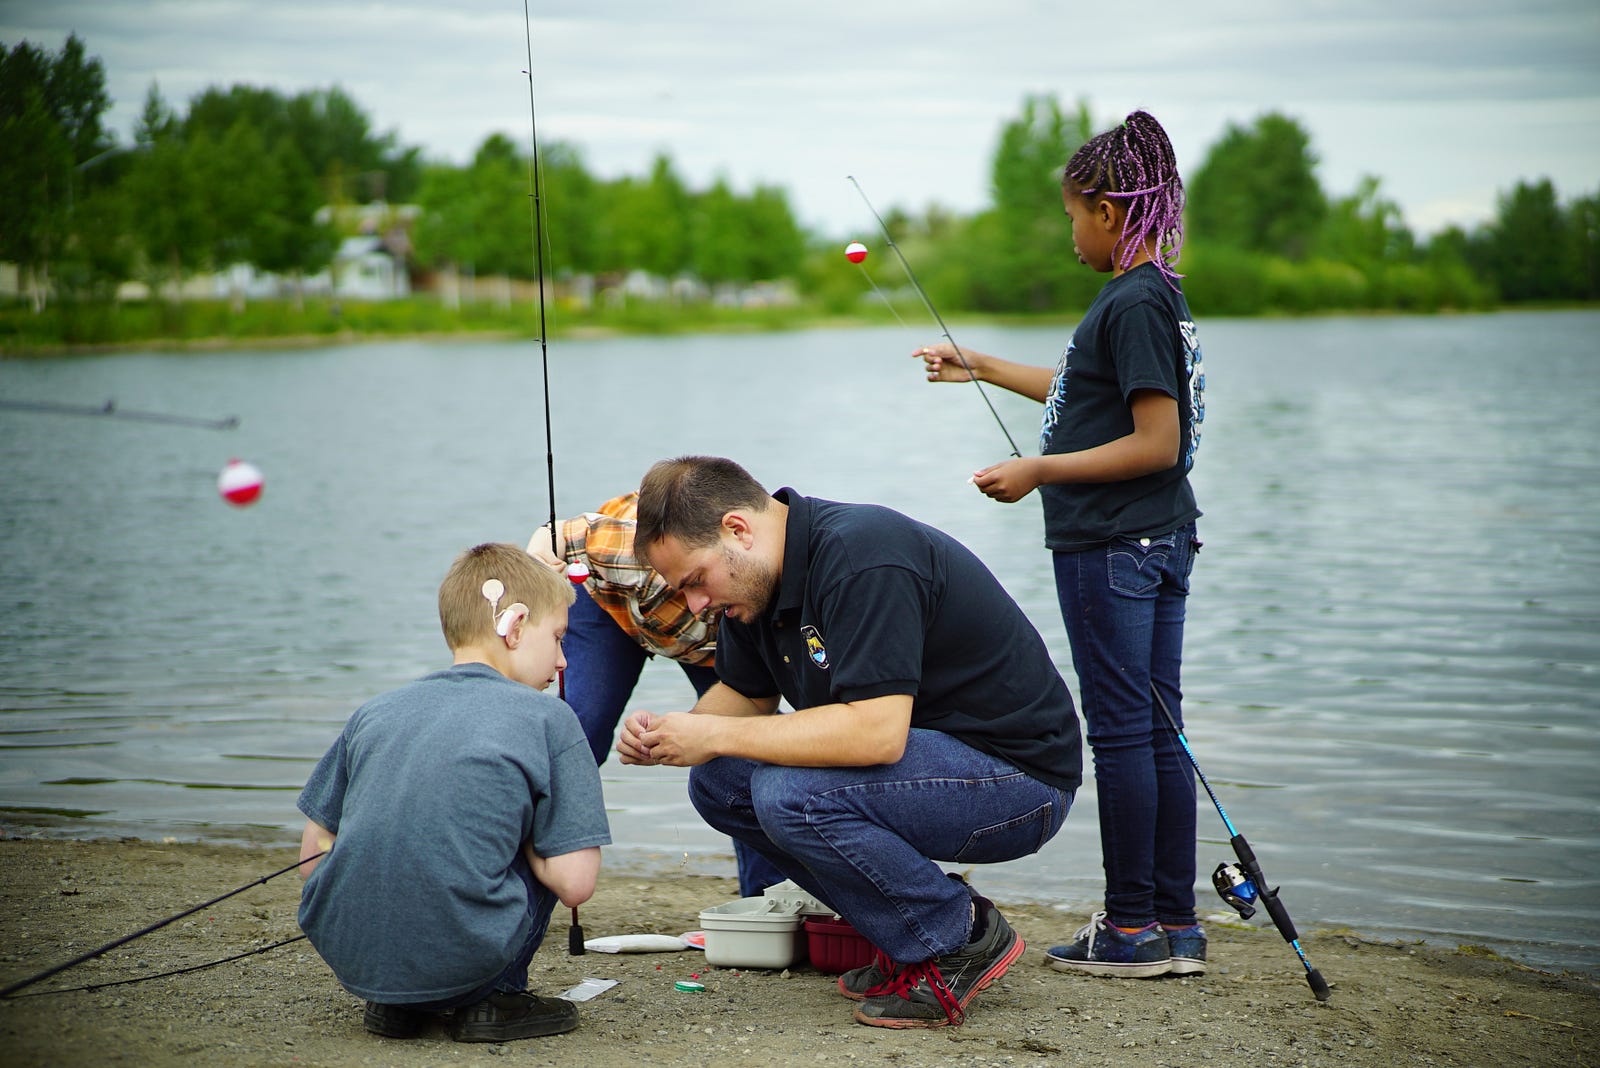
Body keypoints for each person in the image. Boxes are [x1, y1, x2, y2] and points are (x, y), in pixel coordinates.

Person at [616, 456, 1082, 1029]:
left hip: (1018, 782)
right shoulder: (755, 583)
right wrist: (673, 734)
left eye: (694, 581)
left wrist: (712, 733)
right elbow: (746, 695)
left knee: (790, 794)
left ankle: (960, 935)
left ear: (738, 530)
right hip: (929, 765)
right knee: (718, 780)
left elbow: (876, 734)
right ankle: (903, 934)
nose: (695, 605)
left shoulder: (861, 556)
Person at [913, 110, 1206, 979]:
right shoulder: (1152, 295)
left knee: (1123, 735)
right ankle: (1173, 923)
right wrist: (983, 365)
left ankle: (1131, 929)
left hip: (1114, 548)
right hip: (1155, 538)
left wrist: (1039, 469)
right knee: (1156, 728)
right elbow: (1090, 394)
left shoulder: (1134, 300)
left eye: (1074, 216)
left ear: (1109, 212)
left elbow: (1158, 442)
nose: (1070, 232)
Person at [296, 543, 610, 1043]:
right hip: (470, 960)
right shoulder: (550, 717)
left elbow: (312, 859)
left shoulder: (375, 710)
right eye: (557, 638)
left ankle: (398, 1005)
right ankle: (494, 997)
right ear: (515, 625)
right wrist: (530, 829)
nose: (563, 660)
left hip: (355, 959)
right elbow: (576, 884)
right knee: (547, 840)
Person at [526, 493, 786, 898]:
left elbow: (757, 705)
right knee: (579, 729)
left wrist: (683, 734)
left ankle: (766, 899)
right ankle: (525, 878)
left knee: (745, 747)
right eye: (689, 585)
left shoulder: (759, 588)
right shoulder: (627, 548)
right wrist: (541, 567)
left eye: (700, 584)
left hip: (710, 647)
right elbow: (552, 536)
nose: (697, 602)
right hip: (610, 610)